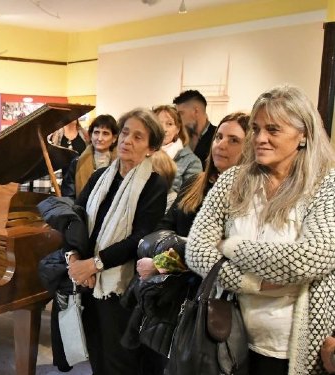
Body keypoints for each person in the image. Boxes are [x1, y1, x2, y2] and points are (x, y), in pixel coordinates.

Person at [186, 86, 335, 375]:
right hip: (227, 338)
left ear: (303, 135)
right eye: (256, 129)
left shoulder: (325, 186)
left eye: (273, 130)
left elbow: (310, 258)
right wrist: (252, 284)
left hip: (290, 349)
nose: (260, 138)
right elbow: (195, 249)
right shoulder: (233, 180)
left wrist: (229, 246)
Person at [129, 112, 250, 374]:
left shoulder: (248, 197)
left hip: (210, 299)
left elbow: (220, 250)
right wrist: (167, 252)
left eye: (233, 140)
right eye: (219, 137)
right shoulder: (196, 183)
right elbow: (164, 226)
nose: (221, 144)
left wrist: (161, 263)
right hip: (173, 294)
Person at [66, 108, 168, 374]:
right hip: (89, 279)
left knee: (119, 359)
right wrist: (76, 259)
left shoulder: (154, 185)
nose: (127, 141)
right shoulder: (100, 177)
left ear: (151, 147)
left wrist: (94, 264)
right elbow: (76, 217)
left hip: (119, 287)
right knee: (96, 352)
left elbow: (139, 238)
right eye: (124, 133)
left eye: (138, 137)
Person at [61, 114, 120, 199]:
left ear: (114, 138)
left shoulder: (121, 164)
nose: (99, 138)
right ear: (90, 135)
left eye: (105, 133)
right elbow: (68, 197)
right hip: (80, 210)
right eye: (96, 132)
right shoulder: (77, 163)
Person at [154, 105, 202, 192]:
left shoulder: (192, 162)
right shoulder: (142, 154)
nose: (164, 129)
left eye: (169, 124)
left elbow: (189, 200)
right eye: (158, 124)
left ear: (178, 129)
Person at [173, 90, 215, 168]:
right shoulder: (178, 139)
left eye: (181, 113)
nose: (177, 118)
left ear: (196, 111)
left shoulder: (217, 137)